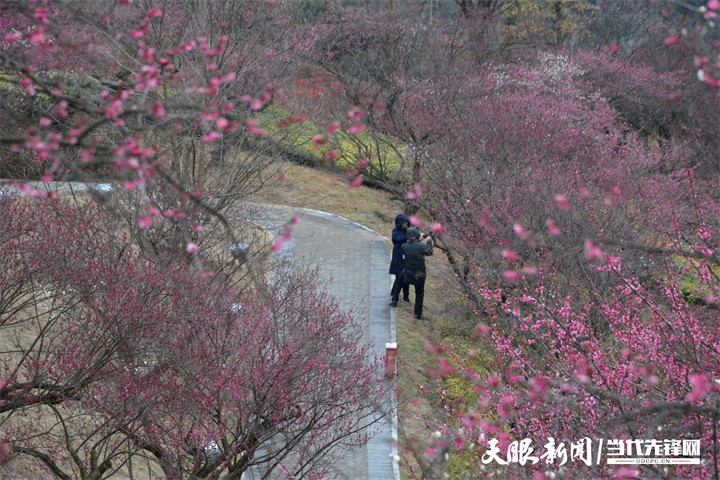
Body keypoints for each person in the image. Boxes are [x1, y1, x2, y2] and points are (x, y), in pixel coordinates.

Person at [391, 226, 433, 319]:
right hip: (419, 274)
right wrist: (429, 241)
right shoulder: (421, 246)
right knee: (419, 293)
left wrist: (419, 240)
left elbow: (414, 246)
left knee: (398, 283)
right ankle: (417, 314)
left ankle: (394, 300)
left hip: (407, 272)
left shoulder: (404, 246)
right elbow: (429, 252)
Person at [389, 213, 410, 305]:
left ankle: (406, 296)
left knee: (406, 277)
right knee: (399, 276)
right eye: (404, 223)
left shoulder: (408, 231)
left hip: (406, 256)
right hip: (398, 256)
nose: (405, 225)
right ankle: (394, 293)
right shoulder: (395, 231)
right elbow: (397, 239)